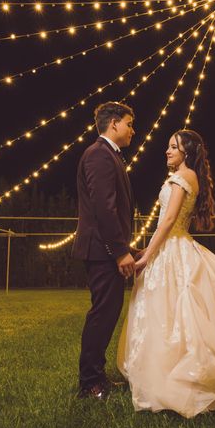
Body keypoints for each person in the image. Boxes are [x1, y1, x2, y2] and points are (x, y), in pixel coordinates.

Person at [117, 129, 215, 418]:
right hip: (172, 245)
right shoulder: (184, 176)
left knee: (179, 313)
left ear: (186, 153)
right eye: (168, 146)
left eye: (173, 147)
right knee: (163, 314)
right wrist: (148, 249)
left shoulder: (184, 177)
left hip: (174, 249)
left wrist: (146, 255)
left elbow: (167, 221)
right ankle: (161, 371)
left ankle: (183, 378)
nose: (167, 151)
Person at [72, 101, 142, 400]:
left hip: (107, 247)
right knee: (102, 313)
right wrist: (119, 252)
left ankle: (96, 375)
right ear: (113, 123)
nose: (132, 129)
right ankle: (90, 383)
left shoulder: (108, 156)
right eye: (129, 123)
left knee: (108, 312)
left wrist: (128, 247)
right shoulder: (99, 155)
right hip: (101, 250)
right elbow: (104, 207)